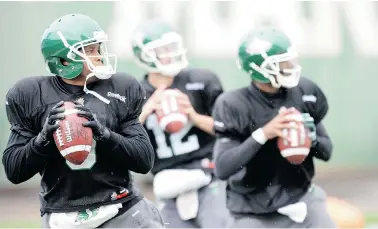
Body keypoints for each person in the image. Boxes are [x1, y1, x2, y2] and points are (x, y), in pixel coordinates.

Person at [2, 14, 164, 228]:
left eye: (98, 49)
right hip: (63, 215)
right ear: (63, 60)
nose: (98, 56)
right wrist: (43, 140)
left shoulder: (120, 87)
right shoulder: (31, 95)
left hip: (120, 209)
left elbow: (144, 160)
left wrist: (104, 134)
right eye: (89, 50)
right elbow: (14, 171)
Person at [212, 25, 337, 228]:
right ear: (258, 68)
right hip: (252, 209)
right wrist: (263, 134)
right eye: (282, 62)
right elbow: (223, 168)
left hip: (300, 199)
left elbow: (327, 151)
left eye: (290, 60)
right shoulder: (234, 104)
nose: (290, 66)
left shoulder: (305, 91)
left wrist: (309, 137)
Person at [131, 20, 230, 228]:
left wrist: (192, 115)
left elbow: (227, 129)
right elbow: (123, 140)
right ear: (145, 55)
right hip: (167, 182)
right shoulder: (134, 94)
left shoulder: (202, 80)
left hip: (207, 172)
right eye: (162, 50)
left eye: (171, 48)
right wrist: (147, 109)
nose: (170, 54)